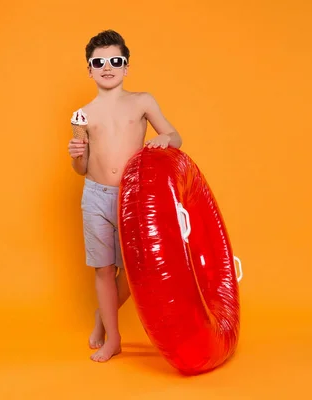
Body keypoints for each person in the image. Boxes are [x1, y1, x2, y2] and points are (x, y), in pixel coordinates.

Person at [67, 29, 183, 362]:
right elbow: (81, 167)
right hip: (96, 196)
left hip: (134, 198)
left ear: (126, 66)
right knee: (103, 269)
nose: (107, 67)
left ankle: (102, 316)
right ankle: (113, 339)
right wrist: (76, 154)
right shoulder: (82, 115)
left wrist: (165, 140)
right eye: (98, 62)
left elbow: (175, 135)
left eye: (115, 60)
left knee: (134, 272)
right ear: (89, 69)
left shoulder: (142, 101)